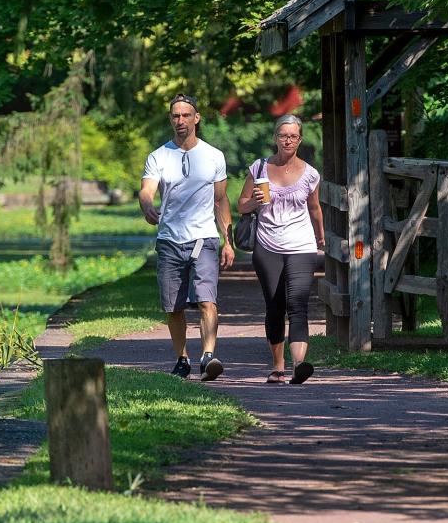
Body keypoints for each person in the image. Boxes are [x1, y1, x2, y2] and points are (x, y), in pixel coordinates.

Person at [139, 93, 235, 381]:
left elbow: (221, 200)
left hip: (204, 238)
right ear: (171, 119)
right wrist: (147, 205)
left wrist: (227, 240)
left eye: (185, 115)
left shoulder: (213, 156)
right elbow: (147, 189)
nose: (180, 120)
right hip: (169, 240)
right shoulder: (158, 156)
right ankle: (182, 359)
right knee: (174, 306)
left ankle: (208, 356)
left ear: (197, 118)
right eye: (175, 116)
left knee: (207, 300)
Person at [237, 114, 325, 385]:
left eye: (293, 136)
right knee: (275, 305)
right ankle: (278, 366)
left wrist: (321, 238)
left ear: (300, 139)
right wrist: (256, 201)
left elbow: (314, 208)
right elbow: (241, 205)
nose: (288, 140)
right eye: (283, 135)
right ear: (275, 138)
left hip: (301, 245)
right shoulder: (259, 168)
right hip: (268, 245)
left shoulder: (310, 174)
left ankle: (300, 364)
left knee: (298, 303)